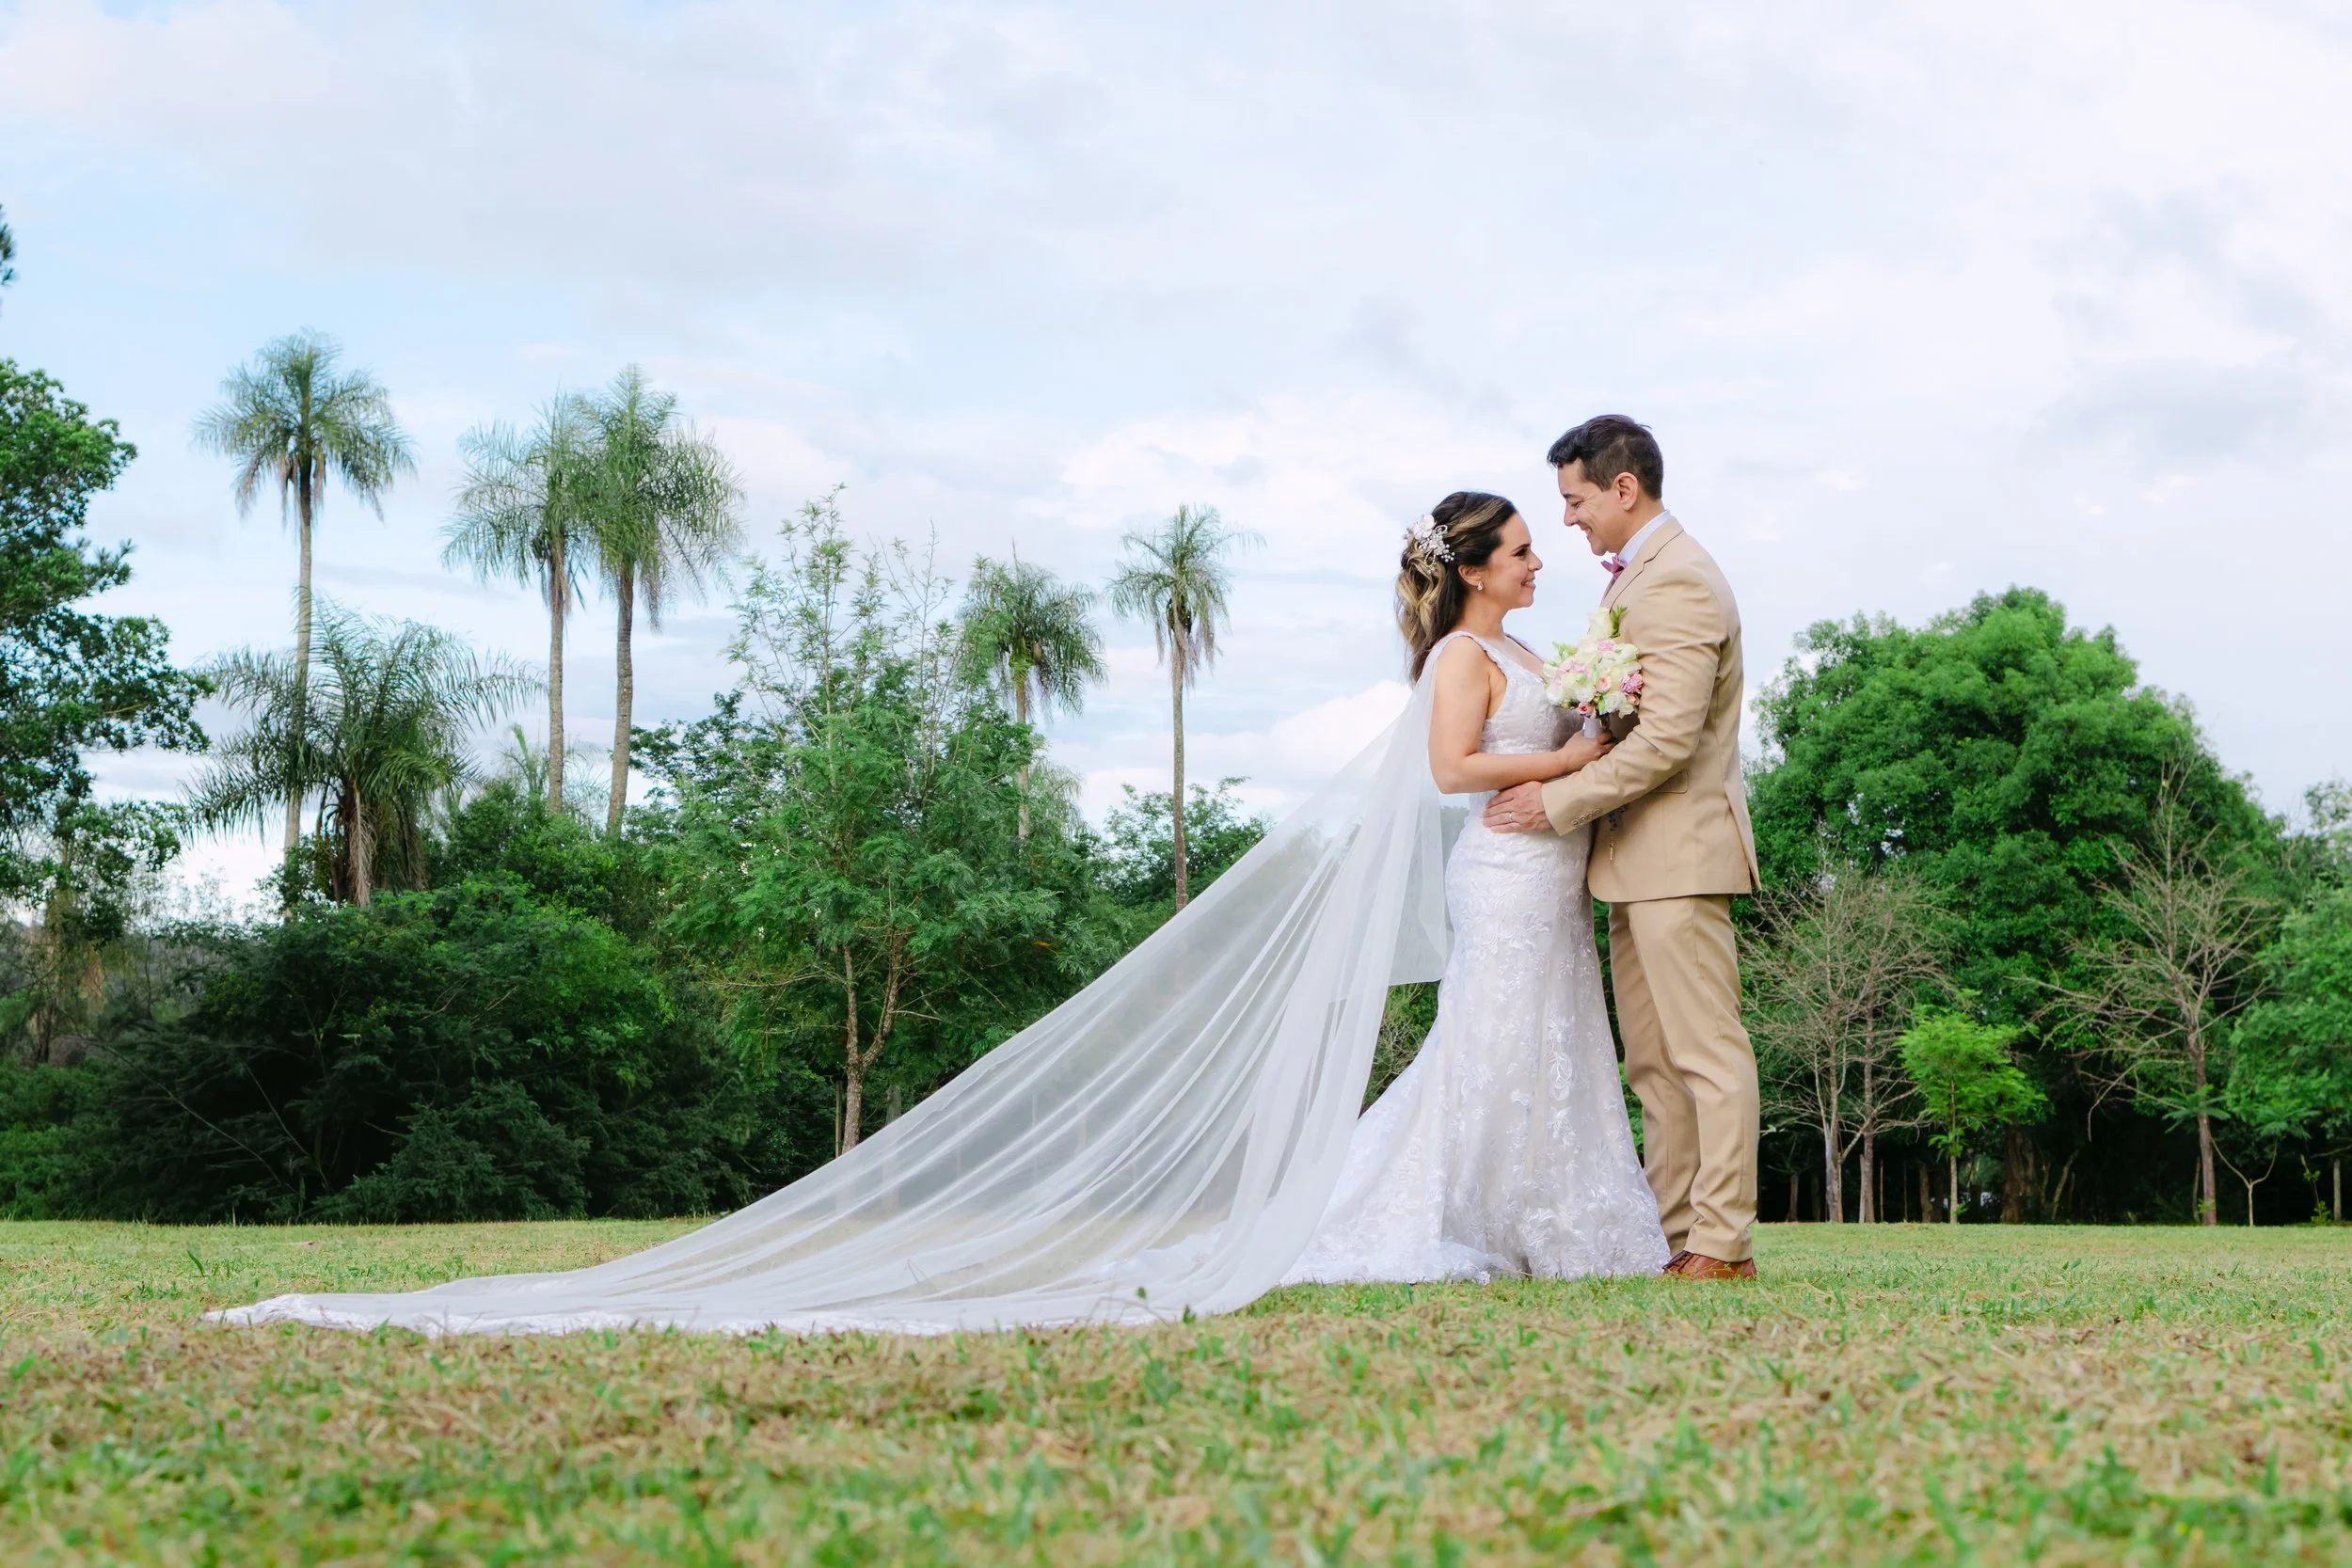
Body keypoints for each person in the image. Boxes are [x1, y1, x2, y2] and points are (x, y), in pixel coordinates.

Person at [1282, 490, 1667, 1283]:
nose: (1537, 562)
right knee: (1494, 1039)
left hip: (1554, 872)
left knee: (1552, 1034)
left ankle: (1550, 1201)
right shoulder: (1461, 654)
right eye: (1520, 552)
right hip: (1505, 873)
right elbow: (1452, 766)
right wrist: (1564, 761)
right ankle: (1467, 1209)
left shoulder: (1516, 647)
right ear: (1473, 572)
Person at [1483, 416, 1763, 1280]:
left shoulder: (1677, 579)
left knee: (1706, 1053)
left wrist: (1555, 802)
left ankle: (1724, 1242)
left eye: (1575, 500)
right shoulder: (1637, 577)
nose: (1568, 518)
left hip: (1680, 853)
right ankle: (1676, 1239)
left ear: (1624, 488)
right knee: (1654, 1064)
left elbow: (1668, 739)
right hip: (1632, 858)